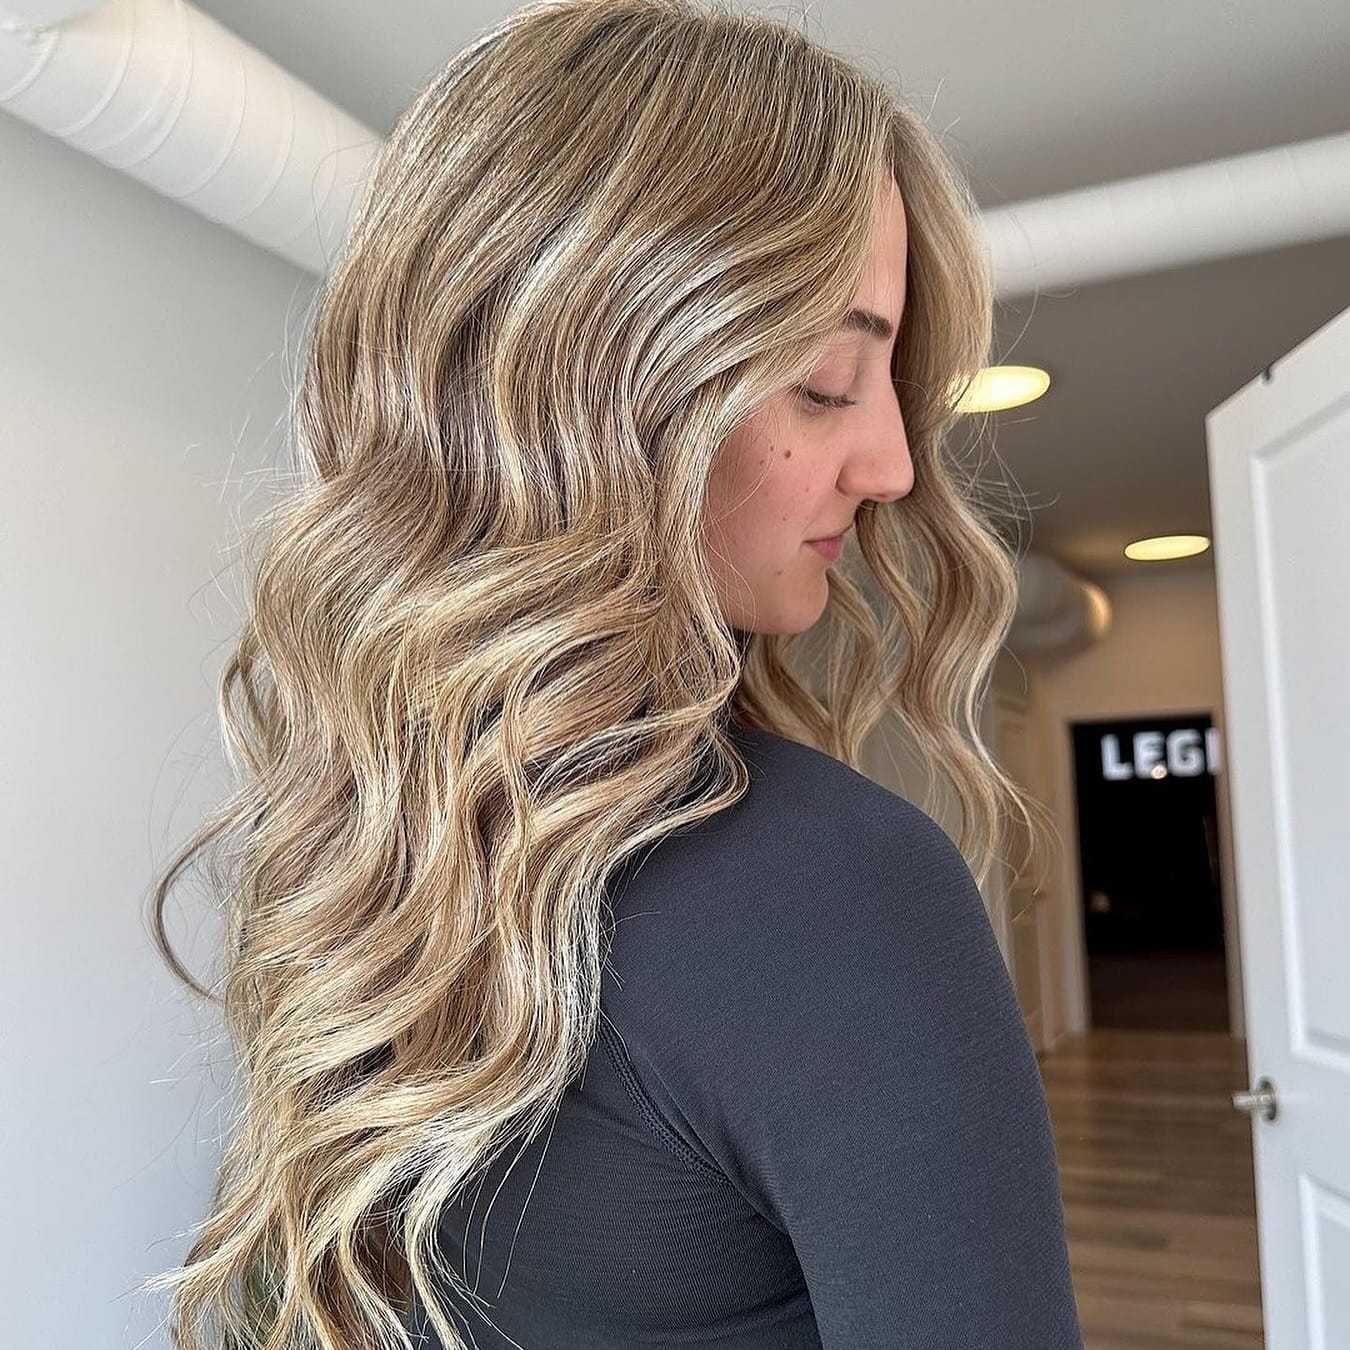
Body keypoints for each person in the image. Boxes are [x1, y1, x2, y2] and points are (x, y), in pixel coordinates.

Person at [145, 1, 1082, 1347]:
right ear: (597, 389)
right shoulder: (837, 889)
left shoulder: (360, 848)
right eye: (828, 380)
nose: (891, 467)